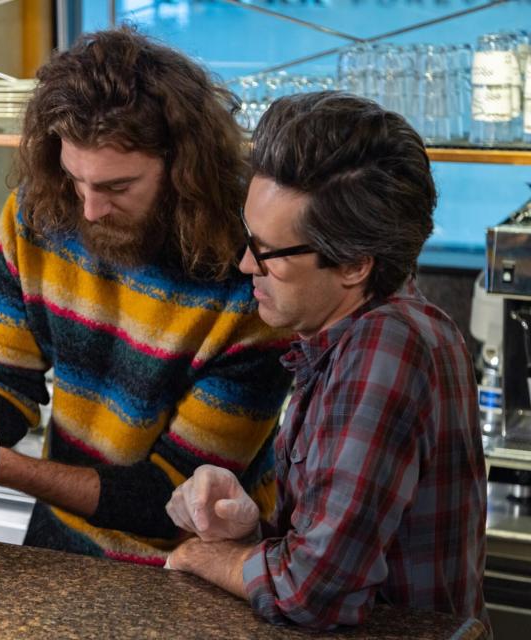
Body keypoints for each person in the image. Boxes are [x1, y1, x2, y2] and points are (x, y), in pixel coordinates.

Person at [0, 27, 292, 564]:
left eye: (116, 188)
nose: (88, 209)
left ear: (183, 167)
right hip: (61, 551)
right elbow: (3, 385)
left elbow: (168, 498)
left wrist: (1, 467)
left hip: (196, 571)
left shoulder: (249, 279)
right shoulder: (37, 215)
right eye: (75, 178)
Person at [164, 92, 489, 631]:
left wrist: (206, 557)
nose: (247, 263)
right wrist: (251, 533)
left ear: (356, 265)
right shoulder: (361, 334)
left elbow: (313, 592)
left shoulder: (387, 347)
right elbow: (340, 552)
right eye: (249, 238)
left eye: (268, 250)